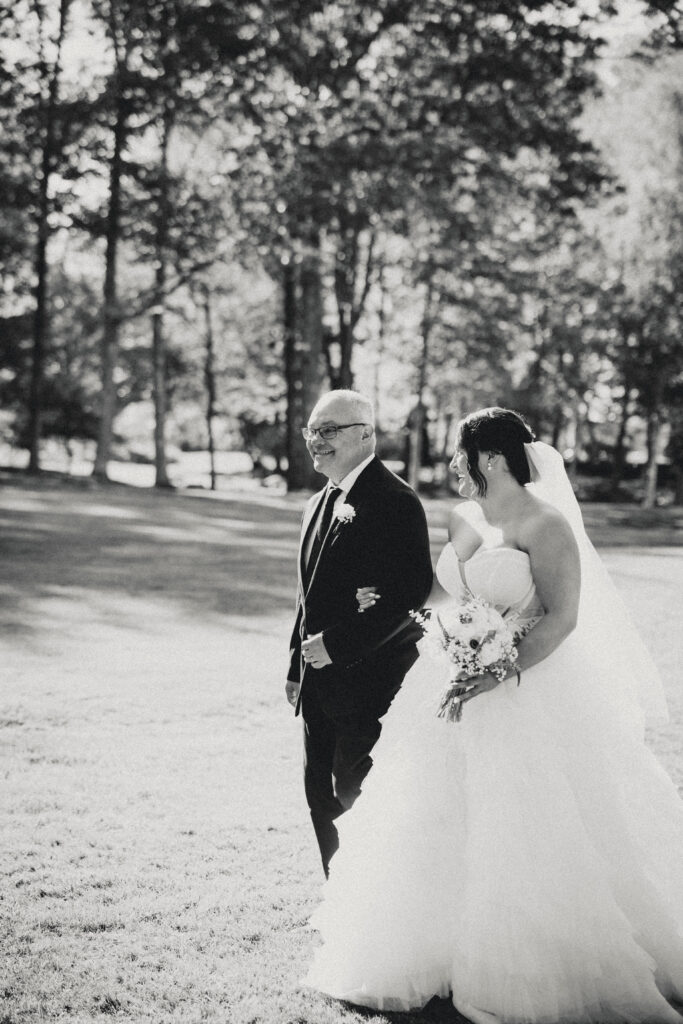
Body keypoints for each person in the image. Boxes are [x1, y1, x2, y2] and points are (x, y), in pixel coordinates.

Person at [303, 407, 683, 1023]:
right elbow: (441, 596)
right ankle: (433, 954)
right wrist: (379, 596)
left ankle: (527, 963)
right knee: (433, 818)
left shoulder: (546, 524)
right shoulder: (465, 516)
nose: (453, 464)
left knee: (520, 824)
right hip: (448, 685)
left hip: (524, 691)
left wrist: (498, 668)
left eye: (461, 453)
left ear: (492, 458)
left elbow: (562, 617)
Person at [286, 389, 432, 877]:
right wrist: (295, 666)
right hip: (316, 685)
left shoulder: (395, 501)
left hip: (370, 686)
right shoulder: (316, 503)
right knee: (319, 796)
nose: (316, 440)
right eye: (312, 430)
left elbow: (408, 598)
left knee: (358, 795)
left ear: (366, 434)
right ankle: (339, 901)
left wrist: (335, 645)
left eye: (329, 430)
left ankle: (379, 896)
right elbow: (307, 597)